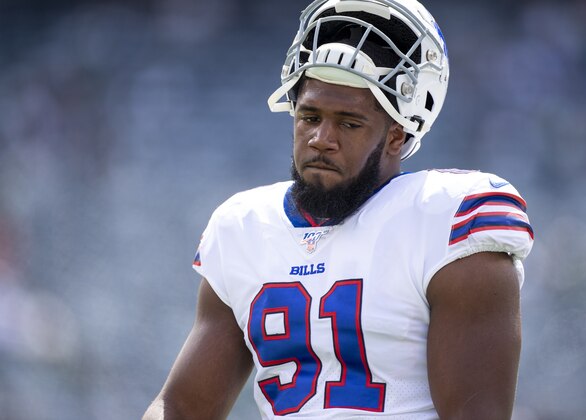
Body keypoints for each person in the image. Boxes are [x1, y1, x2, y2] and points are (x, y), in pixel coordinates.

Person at [143, 0, 534, 418]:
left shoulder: (449, 217)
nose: (320, 138)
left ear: (396, 136)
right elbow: (182, 407)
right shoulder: (243, 227)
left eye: (348, 123)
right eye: (310, 116)